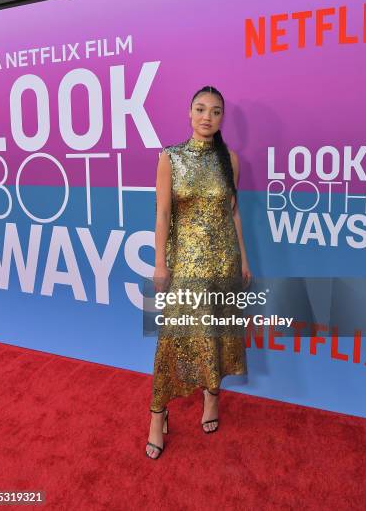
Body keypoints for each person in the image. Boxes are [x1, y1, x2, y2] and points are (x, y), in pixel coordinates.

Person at [145, 85, 253, 459]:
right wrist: (160, 263)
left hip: (223, 261)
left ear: (222, 118)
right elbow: (162, 213)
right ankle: (157, 416)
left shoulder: (231, 160)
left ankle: (212, 398)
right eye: (201, 109)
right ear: (189, 114)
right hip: (186, 265)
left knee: (219, 334)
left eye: (216, 111)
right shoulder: (170, 158)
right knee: (174, 338)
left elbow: (233, 212)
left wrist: (243, 260)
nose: (208, 116)